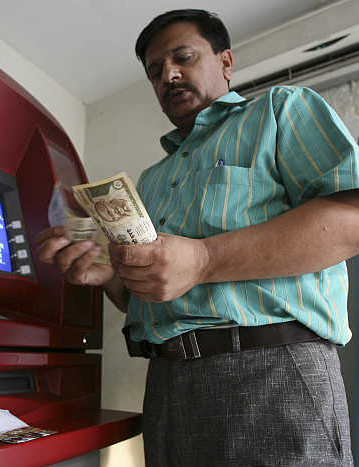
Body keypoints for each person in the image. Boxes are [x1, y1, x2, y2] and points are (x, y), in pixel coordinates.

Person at [36, 8, 359, 467]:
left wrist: (204, 259)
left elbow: (352, 220)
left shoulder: (282, 109)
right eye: (154, 72)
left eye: (182, 57)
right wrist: (111, 276)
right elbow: (142, 297)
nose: (168, 75)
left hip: (271, 373)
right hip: (166, 385)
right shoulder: (150, 180)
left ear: (226, 62)